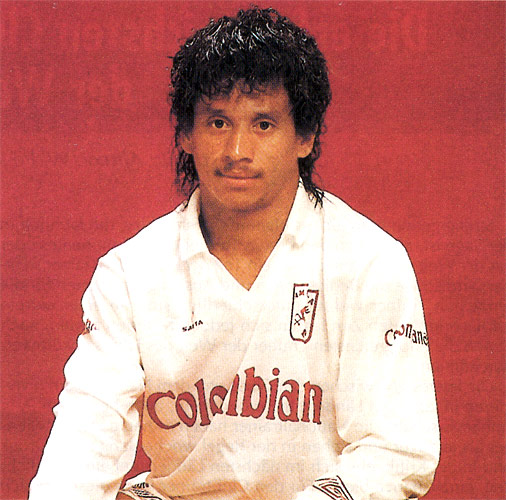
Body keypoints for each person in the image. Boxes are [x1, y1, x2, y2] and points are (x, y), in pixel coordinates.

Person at [29, 7, 439, 500]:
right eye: (218, 122)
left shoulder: (369, 261)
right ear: (186, 133)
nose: (237, 150)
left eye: (263, 124)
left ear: (305, 136)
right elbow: (84, 437)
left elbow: (396, 451)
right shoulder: (131, 273)